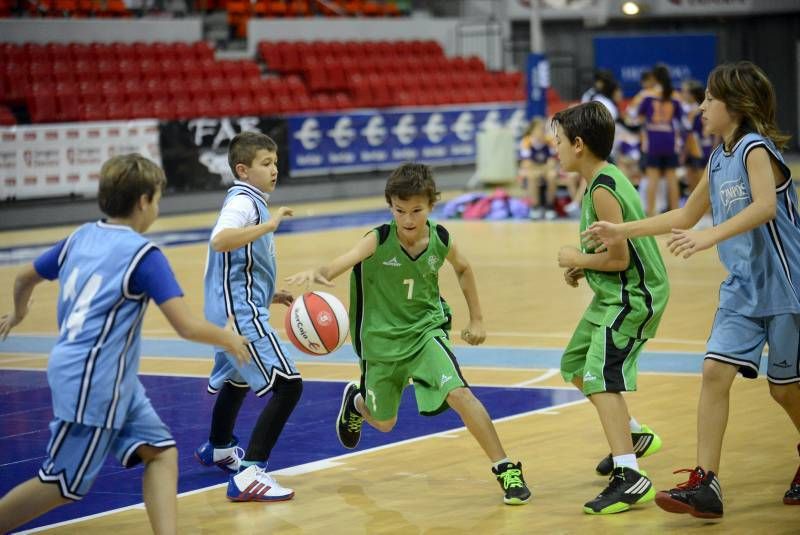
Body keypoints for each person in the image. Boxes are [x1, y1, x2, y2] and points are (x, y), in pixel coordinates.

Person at [582, 61, 800, 518]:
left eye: (708, 99)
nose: (701, 107)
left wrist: (708, 237)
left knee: (784, 391)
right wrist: (622, 230)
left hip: (786, 289)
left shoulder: (754, 150)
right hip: (743, 291)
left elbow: (762, 208)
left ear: (734, 105)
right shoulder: (718, 158)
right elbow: (683, 216)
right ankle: (706, 482)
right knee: (713, 373)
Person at [0, 154, 249, 535]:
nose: (158, 206)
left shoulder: (80, 237)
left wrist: (18, 315)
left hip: (110, 378)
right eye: (159, 198)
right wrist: (228, 337)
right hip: (94, 379)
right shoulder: (144, 256)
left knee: (162, 453)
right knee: (62, 485)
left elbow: (22, 278)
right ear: (144, 201)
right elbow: (185, 326)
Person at [285, 162, 532, 506]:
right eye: (400, 211)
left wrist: (477, 318)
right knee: (384, 424)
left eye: (416, 210)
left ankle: (505, 468)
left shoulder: (441, 238)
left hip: (425, 333)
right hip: (380, 343)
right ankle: (356, 401)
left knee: (460, 394)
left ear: (431, 206)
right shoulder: (379, 239)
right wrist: (321, 271)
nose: (408, 219)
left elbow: (463, 268)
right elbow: (347, 259)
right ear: (390, 207)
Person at [554, 101, 669, 515]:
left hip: (633, 296)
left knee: (601, 377)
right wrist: (586, 269)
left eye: (560, 142)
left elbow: (620, 260)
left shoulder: (602, 188)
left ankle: (629, 475)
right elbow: (614, 251)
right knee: (574, 364)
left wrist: (578, 260)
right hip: (613, 293)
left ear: (579, 145)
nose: (557, 150)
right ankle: (632, 435)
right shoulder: (601, 179)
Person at [194, 131, 302, 503]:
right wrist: (270, 226)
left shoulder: (249, 200)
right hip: (237, 312)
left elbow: (235, 264)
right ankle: (250, 473)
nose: (275, 169)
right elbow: (220, 240)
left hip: (231, 306)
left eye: (275, 162)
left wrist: (267, 294)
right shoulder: (244, 202)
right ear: (243, 169)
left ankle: (220, 447)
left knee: (239, 378)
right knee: (289, 385)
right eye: (266, 163)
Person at [637, 64, 684, 216]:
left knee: (653, 179)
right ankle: (677, 214)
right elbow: (679, 119)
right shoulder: (675, 96)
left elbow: (639, 117)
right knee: (672, 178)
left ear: (654, 78)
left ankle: (651, 213)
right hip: (670, 140)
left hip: (653, 140)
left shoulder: (648, 95)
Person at [517, 117, 559, 220]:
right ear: (532, 130)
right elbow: (526, 164)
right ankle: (535, 207)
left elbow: (552, 162)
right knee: (532, 175)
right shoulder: (526, 141)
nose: (542, 131)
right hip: (530, 171)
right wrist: (540, 168)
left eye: (543, 129)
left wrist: (541, 168)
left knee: (552, 175)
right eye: (540, 129)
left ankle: (549, 207)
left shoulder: (549, 140)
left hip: (544, 170)